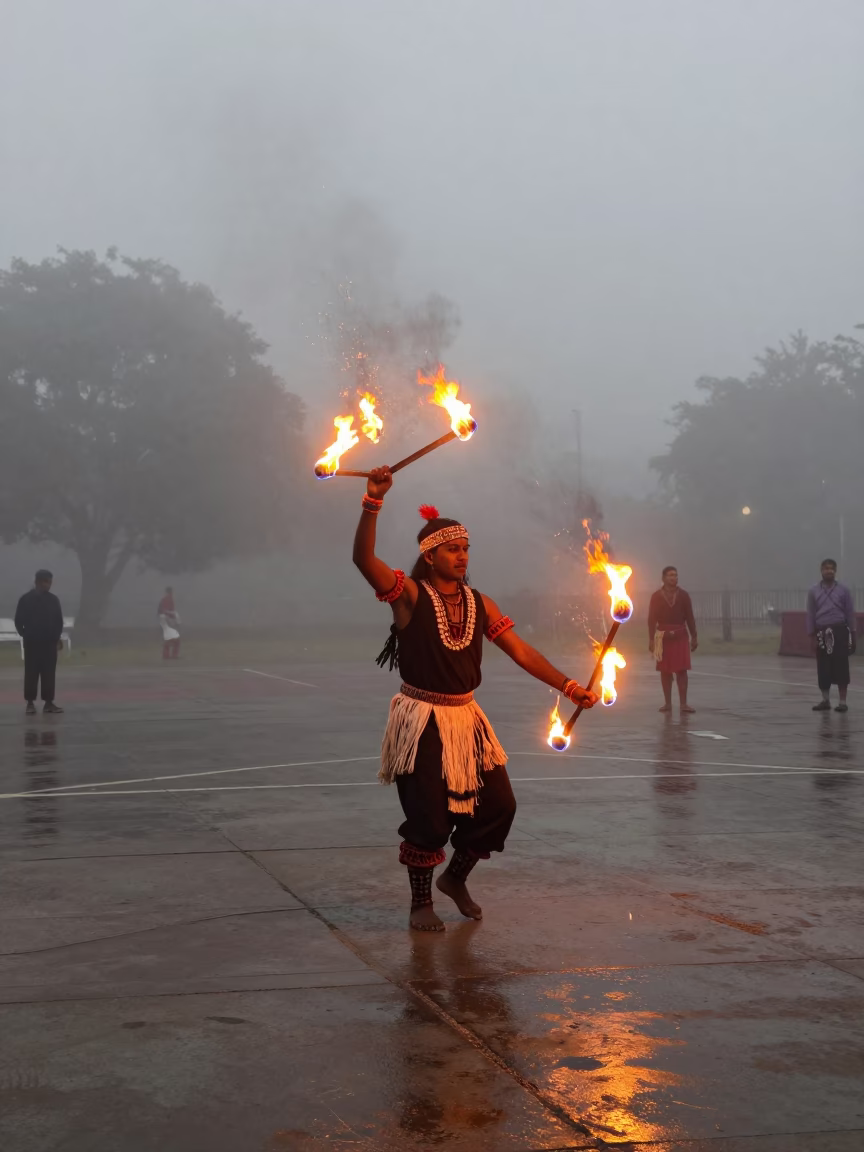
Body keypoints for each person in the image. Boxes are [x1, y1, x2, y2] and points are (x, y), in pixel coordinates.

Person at [353, 467, 597, 932]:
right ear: (430, 554)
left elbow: (521, 650)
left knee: (498, 807)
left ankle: (455, 879)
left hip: (468, 720)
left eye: (466, 548)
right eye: (452, 549)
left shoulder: (481, 602)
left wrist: (568, 686)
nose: (462, 556)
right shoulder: (408, 595)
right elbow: (363, 558)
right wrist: (372, 501)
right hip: (421, 720)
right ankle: (419, 903)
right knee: (429, 816)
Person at [807, 559, 856, 712]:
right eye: (826, 568)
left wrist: (853, 634)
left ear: (835, 571)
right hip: (821, 631)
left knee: (841, 667)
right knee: (823, 668)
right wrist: (811, 636)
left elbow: (849, 613)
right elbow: (810, 614)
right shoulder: (813, 591)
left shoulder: (844, 590)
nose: (829, 571)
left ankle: (842, 702)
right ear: (821, 571)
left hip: (840, 631)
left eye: (832, 569)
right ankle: (825, 700)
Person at [647, 566, 698, 714]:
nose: (673, 578)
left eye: (675, 575)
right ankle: (667, 703)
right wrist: (651, 639)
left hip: (680, 635)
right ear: (663, 578)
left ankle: (683, 704)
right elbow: (651, 619)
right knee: (665, 671)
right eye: (670, 575)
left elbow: (690, 617)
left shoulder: (684, 595)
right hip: (662, 637)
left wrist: (694, 636)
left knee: (682, 670)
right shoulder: (656, 596)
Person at [14, 569, 65, 715]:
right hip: (32, 643)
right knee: (31, 672)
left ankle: (48, 703)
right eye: (45, 582)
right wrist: (25, 635)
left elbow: (58, 621)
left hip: (49, 643)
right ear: (37, 582)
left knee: (49, 673)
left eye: (49, 582)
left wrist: (56, 637)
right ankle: (30, 703)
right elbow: (18, 620)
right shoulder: (26, 599)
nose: (48, 585)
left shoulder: (53, 600)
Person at [158, 586, 181, 660]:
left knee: (169, 639)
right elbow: (168, 611)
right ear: (170, 592)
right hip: (168, 621)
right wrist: (175, 621)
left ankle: (166, 655)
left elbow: (161, 611)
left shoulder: (163, 599)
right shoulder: (168, 599)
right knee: (175, 640)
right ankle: (172, 655)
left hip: (165, 621)